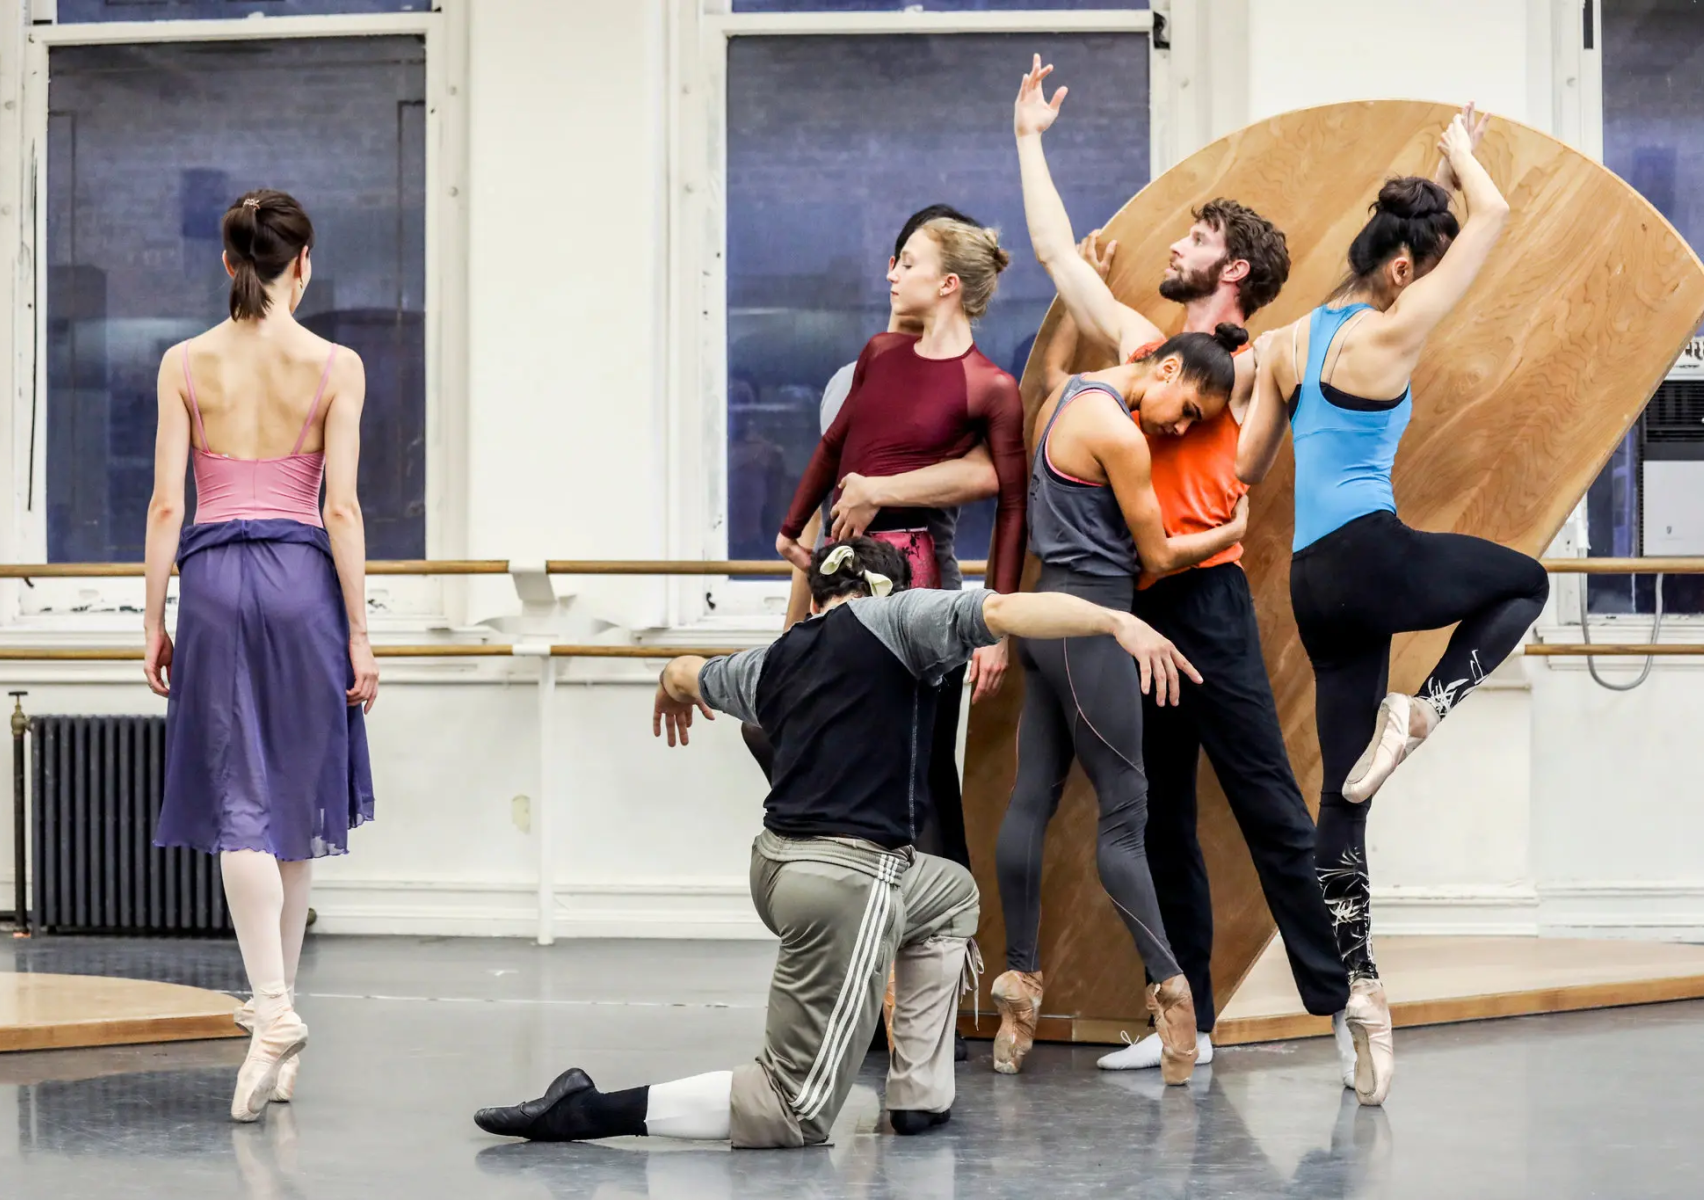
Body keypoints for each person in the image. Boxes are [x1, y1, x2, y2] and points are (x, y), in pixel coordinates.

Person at [472, 537, 1198, 1147]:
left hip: (779, 866)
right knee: (791, 1110)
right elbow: (1006, 608)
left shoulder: (776, 658)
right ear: (886, 589)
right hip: (846, 879)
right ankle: (587, 1108)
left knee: (948, 893)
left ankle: (919, 1092)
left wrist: (668, 684)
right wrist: (1115, 623)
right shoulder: (901, 618)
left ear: (817, 593)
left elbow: (690, 672)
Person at [997, 54, 1354, 1083]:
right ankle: (1178, 1012)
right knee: (1159, 820)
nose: (1176, 246)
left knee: (1269, 806)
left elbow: (1357, 346)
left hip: (1205, 600)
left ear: (1231, 269)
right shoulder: (1144, 344)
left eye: (1196, 239)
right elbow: (1060, 254)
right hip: (1126, 605)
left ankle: (1339, 1004)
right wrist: (1029, 140)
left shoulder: (1260, 360)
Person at [1237, 107, 1547, 1107]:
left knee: (1343, 798)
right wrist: (1461, 160)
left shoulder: (1288, 344)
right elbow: (1494, 213)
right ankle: (1425, 710)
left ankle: (1361, 996)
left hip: (1315, 584)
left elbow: (1244, 469)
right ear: (1407, 270)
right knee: (1523, 582)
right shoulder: (1396, 324)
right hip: (1375, 553)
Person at [143, 189, 377, 1123]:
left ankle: (271, 1013)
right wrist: (360, 632)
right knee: (289, 796)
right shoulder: (336, 364)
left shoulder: (184, 362)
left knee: (240, 798)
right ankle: (275, 1021)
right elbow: (344, 510)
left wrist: (149, 618)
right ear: (302, 262)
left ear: (228, 264)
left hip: (213, 585)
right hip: (301, 584)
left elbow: (167, 504)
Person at [769, 213, 1027, 869]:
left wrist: (996, 627)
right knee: (829, 746)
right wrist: (794, 596)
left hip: (920, 590)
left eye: (906, 262)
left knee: (926, 771)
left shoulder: (988, 385)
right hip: (846, 585)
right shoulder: (878, 358)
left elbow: (1007, 495)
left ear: (945, 283)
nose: (891, 273)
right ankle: (868, 909)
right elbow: (830, 461)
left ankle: (941, 942)